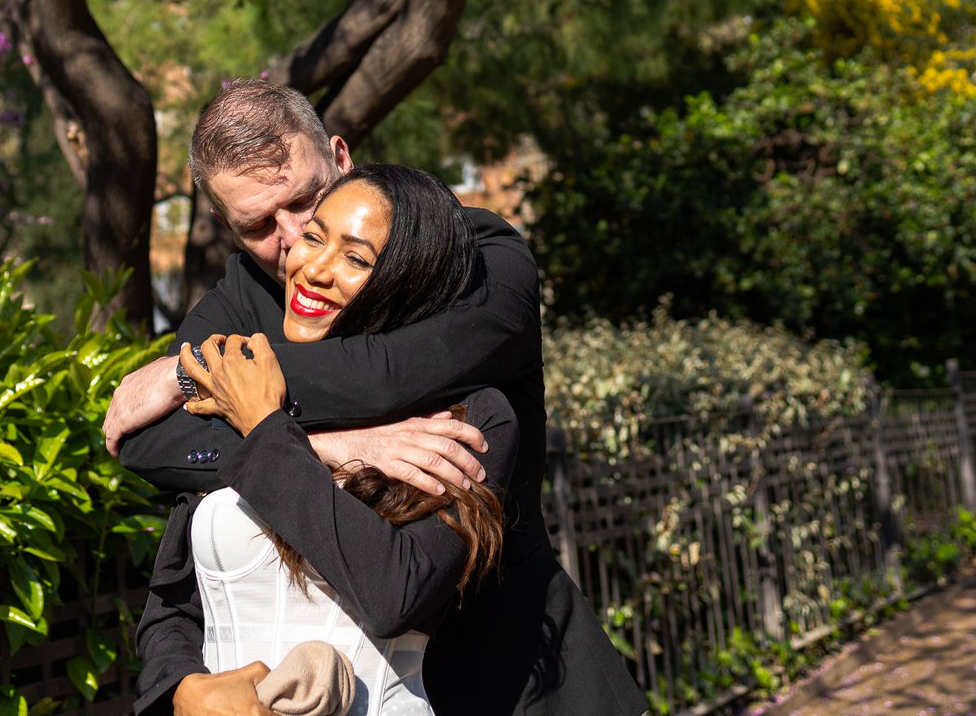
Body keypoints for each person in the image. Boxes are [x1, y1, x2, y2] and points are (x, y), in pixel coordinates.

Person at [111, 81, 643, 716]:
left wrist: (209, 377)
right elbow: (151, 447)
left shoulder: (477, 259)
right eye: (257, 225)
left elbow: (391, 374)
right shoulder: (239, 302)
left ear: (340, 158)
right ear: (226, 225)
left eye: (304, 200)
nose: (293, 240)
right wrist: (333, 444)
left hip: (515, 683)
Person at [153, 164, 516, 716]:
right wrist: (182, 687)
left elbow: (396, 593)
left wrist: (266, 426)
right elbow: (172, 602)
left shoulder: (472, 417)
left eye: (356, 259)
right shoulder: (253, 391)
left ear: (410, 280)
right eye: (314, 238)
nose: (314, 269)